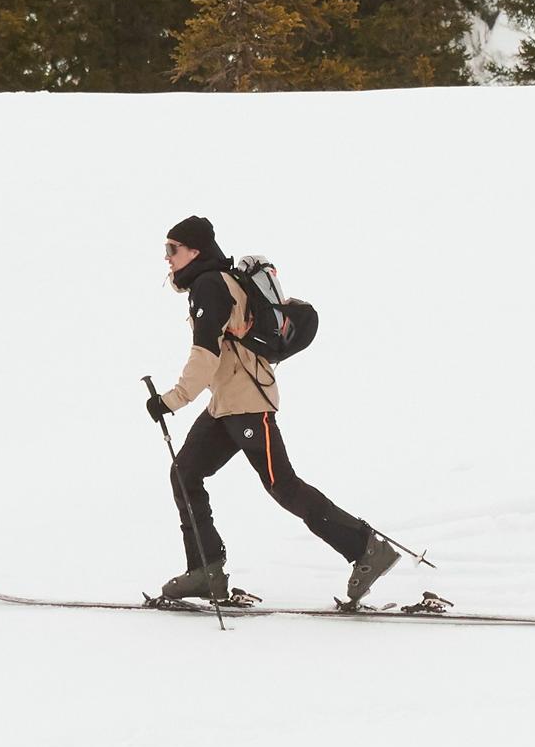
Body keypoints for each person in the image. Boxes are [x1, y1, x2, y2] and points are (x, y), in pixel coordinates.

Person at [147, 212, 399, 609]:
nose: (167, 257)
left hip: (248, 404)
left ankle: (367, 549)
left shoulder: (210, 285)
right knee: (185, 473)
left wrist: (171, 400)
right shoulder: (213, 282)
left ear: (194, 251)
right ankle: (206, 570)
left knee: (283, 486)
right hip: (227, 404)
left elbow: (205, 353)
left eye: (172, 249)